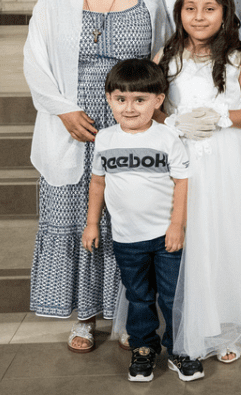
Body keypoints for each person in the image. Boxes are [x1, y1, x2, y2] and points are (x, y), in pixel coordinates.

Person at [23, 0, 171, 353]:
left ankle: (128, 317)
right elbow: (35, 63)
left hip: (130, 124)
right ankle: (85, 318)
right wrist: (64, 112)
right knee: (76, 219)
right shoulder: (54, 0)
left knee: (129, 219)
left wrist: (150, 113)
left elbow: (163, 58)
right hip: (74, 128)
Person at [162, 0, 241, 364]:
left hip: (231, 160)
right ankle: (192, 322)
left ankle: (229, 323)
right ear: (179, 12)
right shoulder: (166, 56)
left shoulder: (239, 58)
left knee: (227, 238)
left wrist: (222, 116)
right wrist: (173, 121)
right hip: (183, 156)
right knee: (191, 238)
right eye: (190, 8)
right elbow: (154, 107)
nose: (198, 16)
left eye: (209, 9)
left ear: (225, 13)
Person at [81, 58, 199, 382]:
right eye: (121, 99)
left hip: (165, 237)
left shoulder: (167, 137)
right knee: (139, 297)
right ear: (109, 99)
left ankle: (180, 349)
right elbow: (98, 183)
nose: (129, 108)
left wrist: (177, 225)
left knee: (173, 296)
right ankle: (143, 348)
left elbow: (183, 182)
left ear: (158, 100)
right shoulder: (105, 139)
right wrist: (92, 223)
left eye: (139, 100)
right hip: (127, 239)